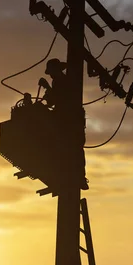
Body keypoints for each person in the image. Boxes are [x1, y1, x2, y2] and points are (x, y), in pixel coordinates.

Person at [39, 58, 90, 190]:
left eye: (51, 72)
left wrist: (47, 87)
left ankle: (76, 177)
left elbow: (58, 98)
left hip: (69, 121)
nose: (50, 75)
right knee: (71, 150)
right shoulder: (58, 81)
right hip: (70, 121)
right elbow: (52, 101)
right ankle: (73, 176)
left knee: (72, 149)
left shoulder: (63, 81)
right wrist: (48, 92)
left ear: (56, 70)